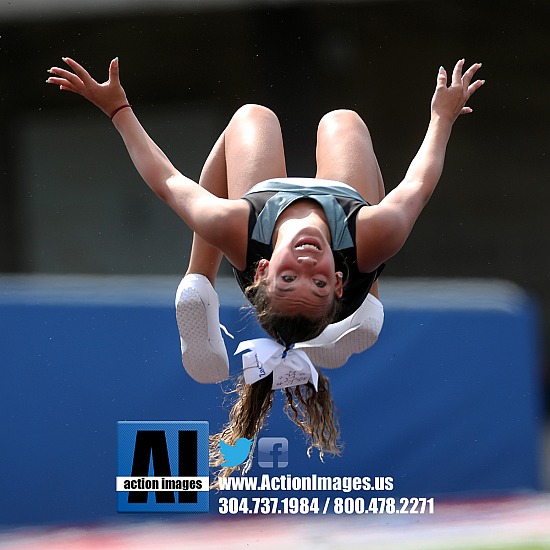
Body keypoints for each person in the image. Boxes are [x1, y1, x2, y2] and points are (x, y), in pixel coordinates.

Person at [47, 57, 483, 476]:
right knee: (344, 121)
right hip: (353, 261)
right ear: (335, 280)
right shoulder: (373, 234)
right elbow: (419, 184)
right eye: (317, 281)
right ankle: (367, 304)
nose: (307, 262)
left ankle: (197, 281)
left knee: (252, 116)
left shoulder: (239, 228)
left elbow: (168, 183)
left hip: (265, 214)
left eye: (290, 276)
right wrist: (441, 119)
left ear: (261, 270)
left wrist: (119, 110)